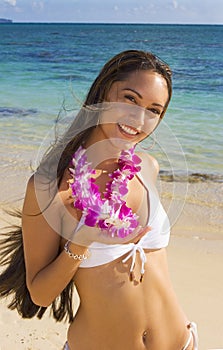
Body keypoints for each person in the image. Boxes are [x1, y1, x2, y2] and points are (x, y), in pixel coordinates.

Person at [0, 50, 198, 350]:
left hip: (182, 343)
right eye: (130, 98)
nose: (139, 118)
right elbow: (40, 293)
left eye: (154, 110)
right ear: (104, 92)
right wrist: (81, 242)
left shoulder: (147, 167)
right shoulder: (49, 187)